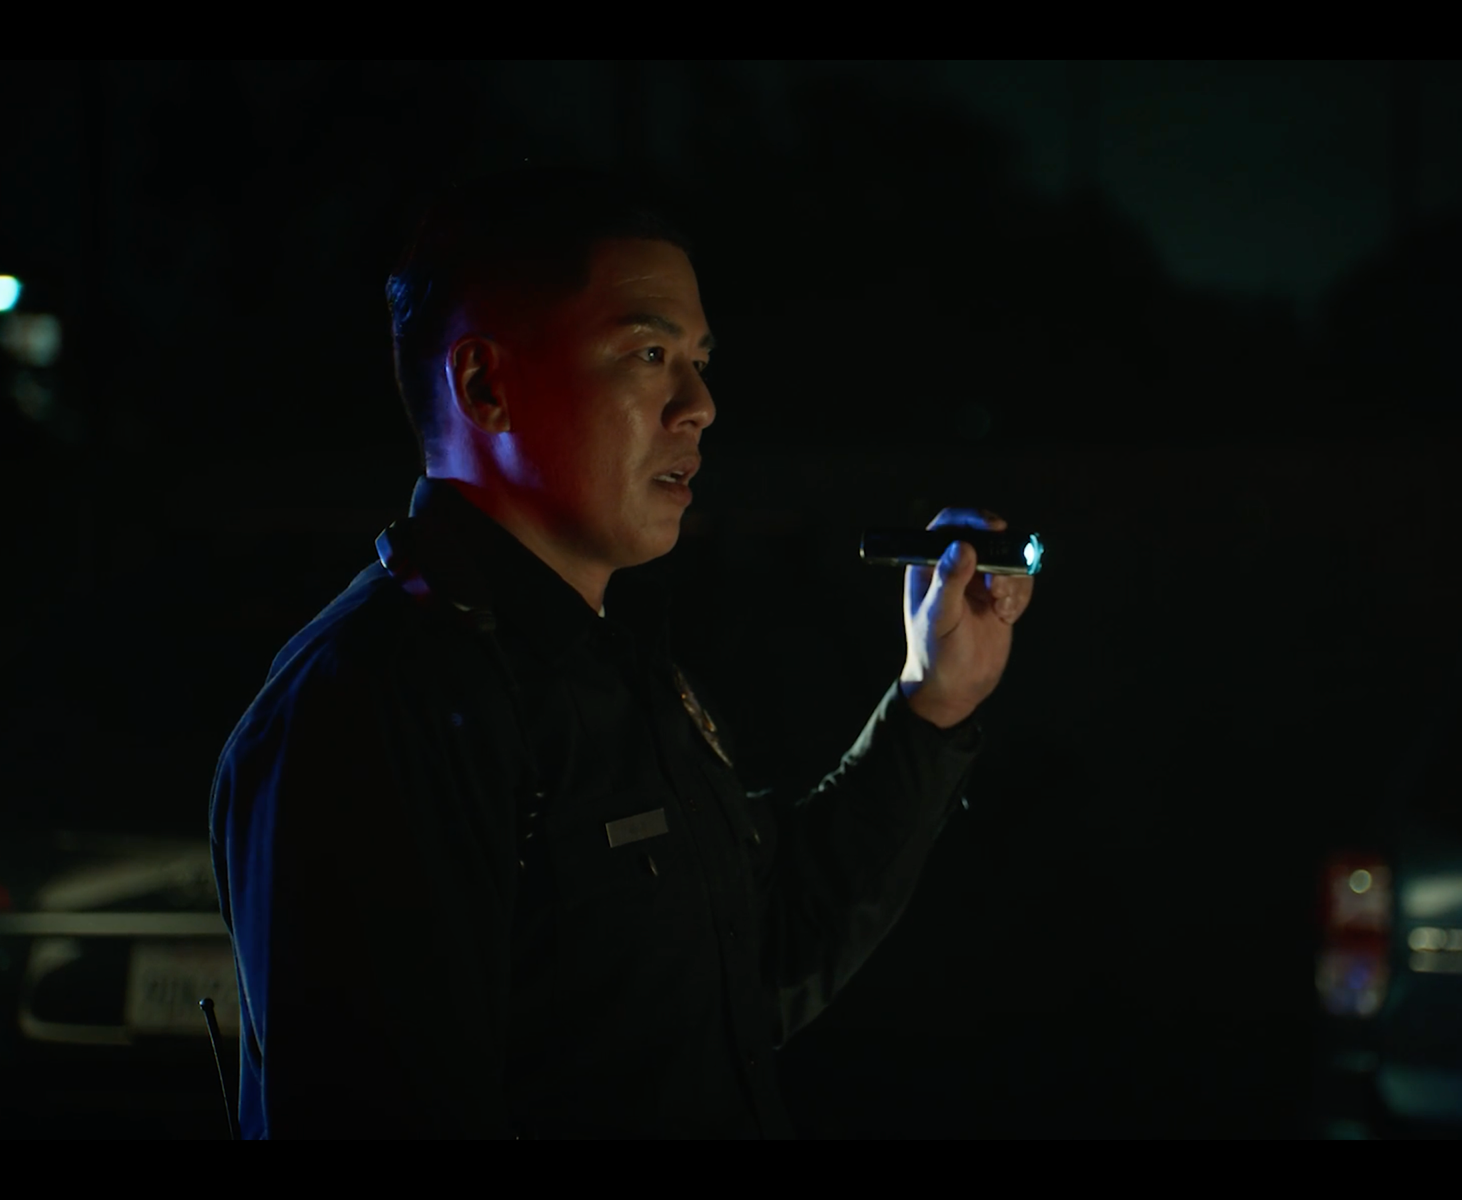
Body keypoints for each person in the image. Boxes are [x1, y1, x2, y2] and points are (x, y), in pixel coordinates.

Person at [206, 169, 1036, 1139]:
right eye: (648, 353)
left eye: (699, 360)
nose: (700, 404)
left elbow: (749, 972)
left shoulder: (605, 666)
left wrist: (933, 702)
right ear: (484, 385)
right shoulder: (380, 706)